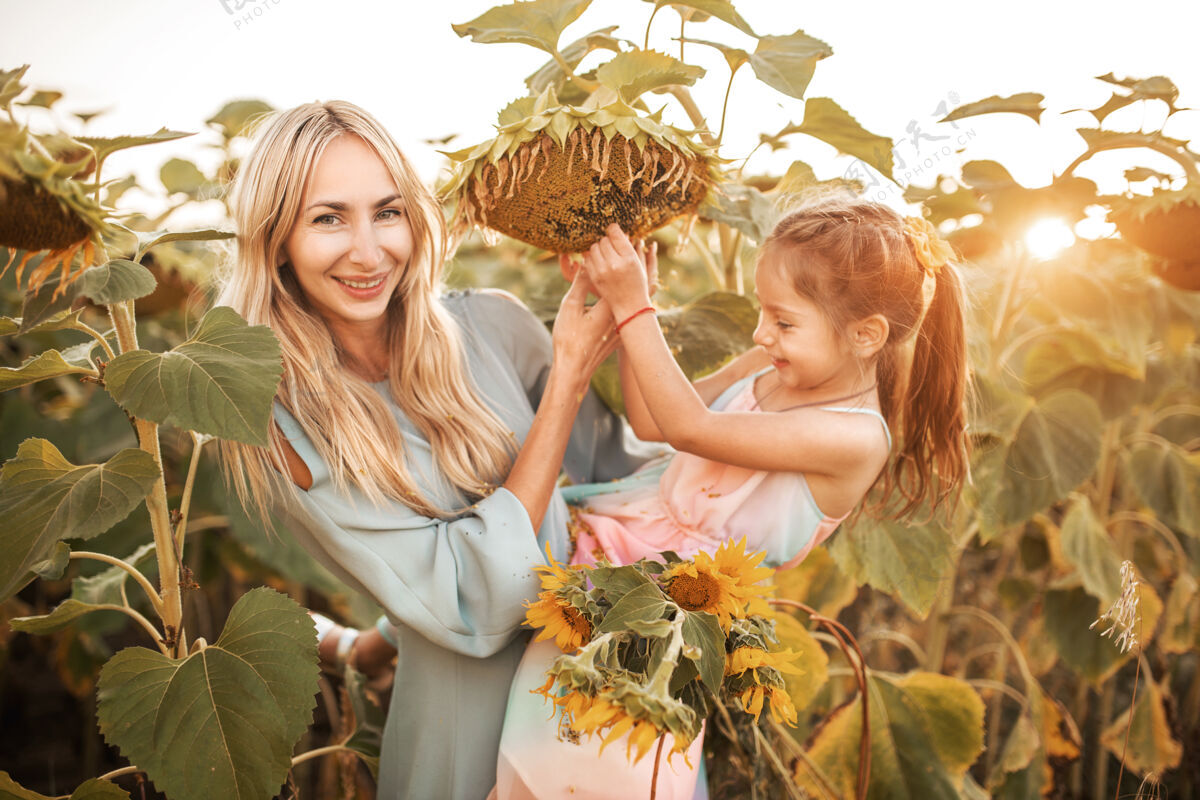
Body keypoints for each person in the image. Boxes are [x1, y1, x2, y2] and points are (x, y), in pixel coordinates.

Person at [215, 100, 653, 800]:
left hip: (612, 716)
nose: (369, 251)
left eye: (387, 212)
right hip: (467, 745)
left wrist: (762, 379)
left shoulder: (494, 324)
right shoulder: (285, 426)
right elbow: (473, 604)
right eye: (328, 218)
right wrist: (566, 381)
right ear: (276, 241)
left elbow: (621, 482)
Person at [495, 197, 970, 799]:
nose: (761, 332)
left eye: (784, 321)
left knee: (599, 774)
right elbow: (651, 420)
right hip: (610, 559)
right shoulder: (770, 366)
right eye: (762, 313)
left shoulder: (854, 436)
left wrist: (638, 306)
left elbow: (690, 427)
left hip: (668, 617)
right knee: (540, 762)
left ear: (866, 335)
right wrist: (622, 305)